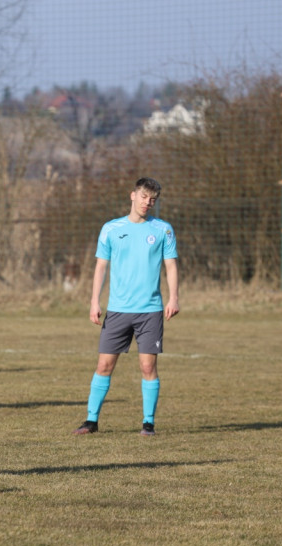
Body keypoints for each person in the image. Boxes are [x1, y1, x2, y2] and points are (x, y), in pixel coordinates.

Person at [72, 177, 179, 436]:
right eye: (144, 197)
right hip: (118, 310)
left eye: (152, 199)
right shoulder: (110, 228)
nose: (147, 203)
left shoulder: (163, 229)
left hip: (150, 310)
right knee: (104, 366)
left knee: (147, 367)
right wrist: (94, 301)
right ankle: (91, 421)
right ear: (133, 196)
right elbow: (101, 266)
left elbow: (171, 265)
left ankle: (148, 423)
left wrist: (173, 297)